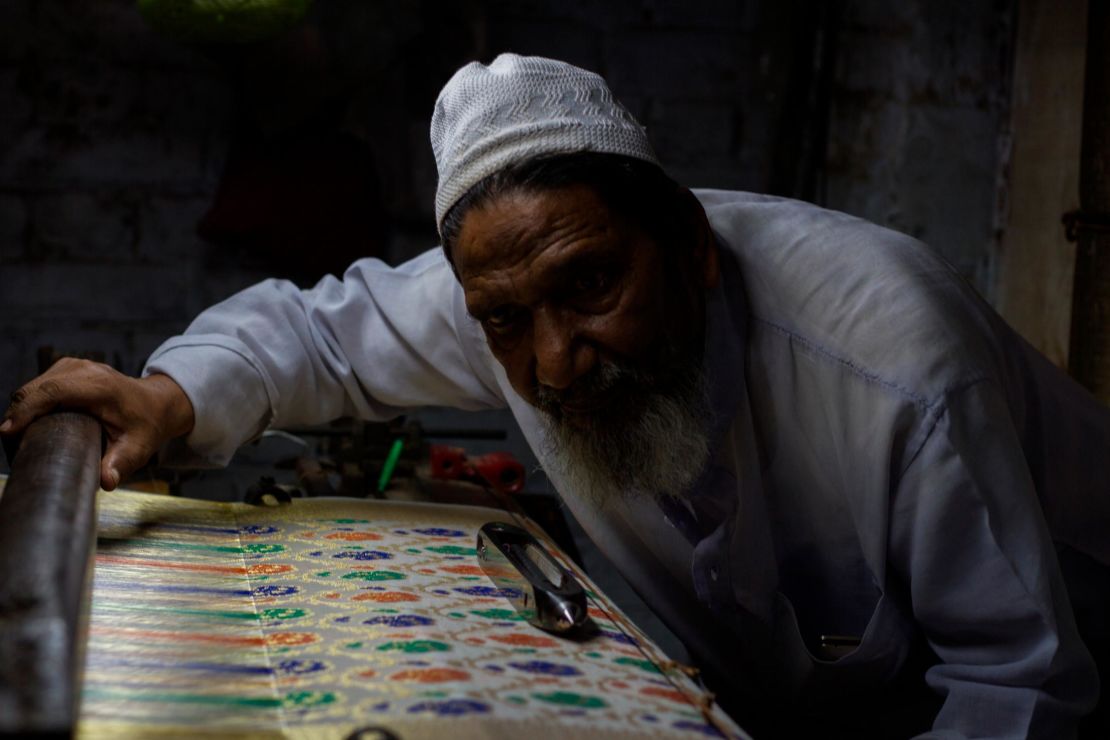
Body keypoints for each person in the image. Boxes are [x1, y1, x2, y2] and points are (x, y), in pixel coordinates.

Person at [4, 54, 1109, 738]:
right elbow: (314, 331)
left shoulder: (893, 363)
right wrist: (167, 396)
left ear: (690, 243)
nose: (556, 361)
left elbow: (1019, 683)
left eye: (593, 287)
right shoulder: (511, 298)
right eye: (504, 320)